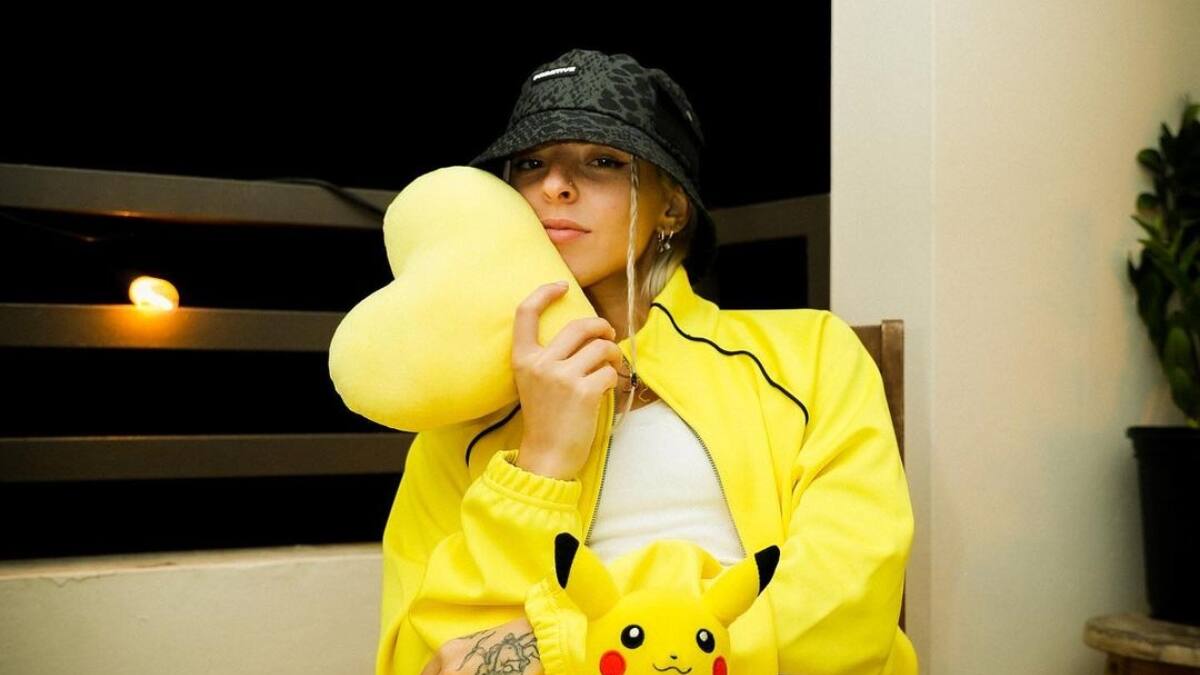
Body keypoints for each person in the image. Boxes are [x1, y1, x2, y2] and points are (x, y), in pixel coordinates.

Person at [376, 48, 918, 675]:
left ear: (671, 208)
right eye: (531, 163)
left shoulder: (811, 353)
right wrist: (541, 460)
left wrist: (591, 652)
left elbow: (849, 593)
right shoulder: (464, 411)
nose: (554, 186)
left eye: (603, 161)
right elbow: (426, 650)